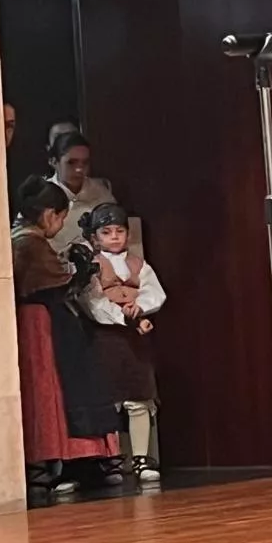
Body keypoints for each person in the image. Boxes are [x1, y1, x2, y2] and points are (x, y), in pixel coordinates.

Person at [11, 177, 121, 496]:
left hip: (41, 320)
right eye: (60, 217)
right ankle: (67, 457)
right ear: (49, 215)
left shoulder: (21, 238)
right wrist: (80, 268)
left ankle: (58, 462)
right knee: (56, 388)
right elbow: (58, 282)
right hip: (43, 324)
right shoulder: (29, 243)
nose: (60, 224)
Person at [79, 203, 167, 484]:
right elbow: (92, 301)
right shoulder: (91, 265)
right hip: (105, 337)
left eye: (119, 231)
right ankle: (111, 459)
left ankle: (140, 456)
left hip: (135, 339)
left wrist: (139, 307)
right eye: (106, 232)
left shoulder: (139, 264)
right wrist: (122, 316)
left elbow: (156, 293)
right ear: (95, 237)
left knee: (139, 395)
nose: (114, 237)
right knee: (109, 398)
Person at [46, 132, 117, 254]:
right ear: (54, 162)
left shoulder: (101, 193)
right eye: (71, 163)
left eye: (85, 163)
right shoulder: (40, 195)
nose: (79, 169)